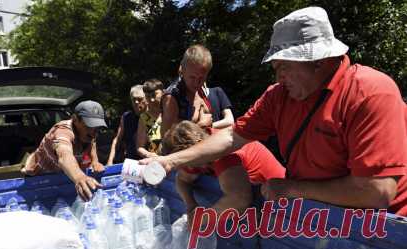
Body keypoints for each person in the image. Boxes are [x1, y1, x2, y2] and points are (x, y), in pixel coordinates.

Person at [143, 7, 407, 217]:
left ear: (319, 61)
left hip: (387, 232)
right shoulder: (279, 96)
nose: (278, 76)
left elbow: (376, 191)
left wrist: (292, 187)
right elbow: (231, 137)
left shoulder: (370, 93)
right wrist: (170, 161)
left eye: (284, 66)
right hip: (320, 218)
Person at [161, 121, 285, 227]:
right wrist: (191, 205)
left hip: (286, 206)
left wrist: (201, 219)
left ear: (194, 148)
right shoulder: (197, 156)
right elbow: (182, 180)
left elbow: (239, 200)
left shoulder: (223, 154)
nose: (187, 168)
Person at [22, 100, 107, 201]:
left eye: (97, 127)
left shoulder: (90, 133)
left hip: (65, 178)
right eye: (89, 126)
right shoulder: (63, 132)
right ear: (75, 119)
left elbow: (92, 142)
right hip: (38, 181)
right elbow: (64, 156)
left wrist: (95, 161)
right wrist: (80, 177)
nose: (94, 132)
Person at [161, 44, 234, 137]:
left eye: (201, 78)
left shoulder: (201, 90)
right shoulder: (172, 97)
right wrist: (201, 125)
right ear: (182, 70)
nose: (196, 83)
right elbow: (167, 136)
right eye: (192, 77)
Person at [106, 85, 147, 165]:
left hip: (149, 162)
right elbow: (117, 140)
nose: (136, 102)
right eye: (133, 99)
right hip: (131, 163)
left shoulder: (154, 116)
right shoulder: (126, 117)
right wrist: (110, 161)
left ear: (146, 99)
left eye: (139, 99)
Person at [136, 79, 164, 158]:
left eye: (154, 95)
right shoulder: (144, 118)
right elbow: (139, 147)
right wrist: (148, 154)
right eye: (148, 97)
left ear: (163, 92)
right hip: (156, 162)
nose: (152, 99)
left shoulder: (172, 110)